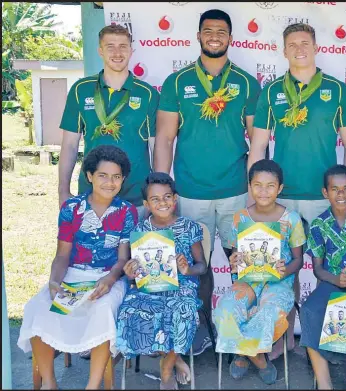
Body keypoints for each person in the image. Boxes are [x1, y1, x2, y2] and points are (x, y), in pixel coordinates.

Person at [247, 22, 346, 358]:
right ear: (284, 50)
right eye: (293, 44)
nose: (299, 49)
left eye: (305, 43)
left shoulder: (338, 91)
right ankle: (286, 335)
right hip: (282, 196)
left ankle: (333, 335)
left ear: (315, 47)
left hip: (326, 198)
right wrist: (254, 194)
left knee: (334, 266)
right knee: (285, 270)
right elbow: (259, 146)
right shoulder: (271, 92)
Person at [154, 9, 261, 356]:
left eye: (221, 31)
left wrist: (256, 191)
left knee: (241, 263)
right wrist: (159, 185)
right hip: (191, 192)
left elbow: (256, 139)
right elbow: (165, 139)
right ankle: (202, 330)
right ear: (198, 36)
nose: (214, 36)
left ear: (231, 38)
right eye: (208, 30)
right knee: (198, 268)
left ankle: (241, 329)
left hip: (235, 192)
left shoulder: (246, 83)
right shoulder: (176, 82)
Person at [18, 145, 137, 389]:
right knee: (40, 308)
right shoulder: (71, 209)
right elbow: (62, 255)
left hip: (109, 277)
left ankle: (92, 386)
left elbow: (123, 259)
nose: (109, 182)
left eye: (116, 177)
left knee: (102, 310)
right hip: (73, 275)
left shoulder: (126, 211)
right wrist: (54, 282)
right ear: (89, 176)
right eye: (103, 175)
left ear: (123, 179)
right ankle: (50, 383)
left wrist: (110, 280)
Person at [213, 159, 306, 385]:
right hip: (247, 282)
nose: (263, 191)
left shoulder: (291, 219)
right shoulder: (241, 218)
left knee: (268, 313)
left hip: (278, 283)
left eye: (270, 185)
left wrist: (282, 273)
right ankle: (260, 360)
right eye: (257, 185)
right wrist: (234, 261)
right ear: (250, 186)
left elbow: (298, 259)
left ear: (280, 188)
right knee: (226, 309)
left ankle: (243, 355)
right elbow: (237, 256)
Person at [114, 172, 207, 389]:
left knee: (182, 310)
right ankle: (176, 358)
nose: (162, 203)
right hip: (149, 287)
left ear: (175, 199)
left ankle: (166, 369)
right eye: (155, 199)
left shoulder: (189, 227)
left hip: (182, 285)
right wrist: (130, 272)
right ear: (146, 204)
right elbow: (135, 272)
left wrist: (188, 268)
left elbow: (202, 265)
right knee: (130, 310)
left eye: (167, 197)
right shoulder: (139, 231)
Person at [57, 25, 159, 219]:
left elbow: (156, 147)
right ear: (100, 50)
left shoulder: (147, 93)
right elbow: (69, 145)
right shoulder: (81, 89)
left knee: (134, 250)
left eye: (123, 46)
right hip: (91, 195)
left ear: (131, 50)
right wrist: (63, 190)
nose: (117, 52)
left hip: (136, 196)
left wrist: (155, 191)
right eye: (110, 46)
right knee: (90, 249)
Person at [299, 164, 346, 390]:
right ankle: (325, 383)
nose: (340, 194)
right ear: (325, 192)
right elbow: (317, 269)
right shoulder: (318, 225)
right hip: (332, 283)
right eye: (334, 189)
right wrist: (336, 280)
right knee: (310, 310)